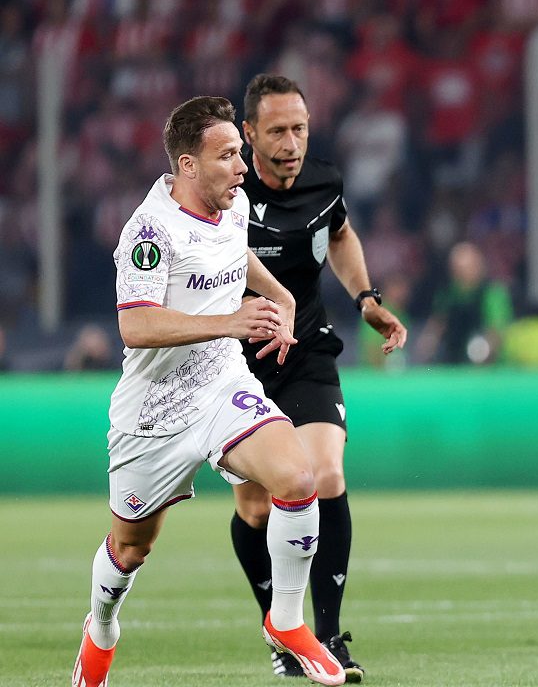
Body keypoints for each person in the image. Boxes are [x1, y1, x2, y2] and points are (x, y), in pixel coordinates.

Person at [73, 96, 346, 687]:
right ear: (188, 165)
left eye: (240, 154)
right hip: (154, 412)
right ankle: (102, 628)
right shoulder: (149, 232)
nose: (243, 167)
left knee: (299, 478)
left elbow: (234, 252)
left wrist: (281, 295)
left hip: (222, 384)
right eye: (227, 156)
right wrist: (231, 321)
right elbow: (136, 325)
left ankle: (287, 621)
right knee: (131, 549)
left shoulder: (234, 203)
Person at [231, 74, 408, 682]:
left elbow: (341, 234)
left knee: (327, 475)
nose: (291, 144)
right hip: (235, 363)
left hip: (305, 351)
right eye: (277, 131)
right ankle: (280, 628)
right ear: (248, 133)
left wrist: (366, 298)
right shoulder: (224, 191)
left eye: (300, 129)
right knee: (257, 508)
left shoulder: (325, 182)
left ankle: (328, 636)